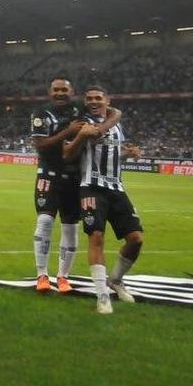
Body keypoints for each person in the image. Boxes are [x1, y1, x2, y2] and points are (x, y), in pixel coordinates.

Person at [29, 78, 120, 293]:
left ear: (72, 92)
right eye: (56, 89)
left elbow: (116, 112)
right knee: (45, 221)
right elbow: (40, 146)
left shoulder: (80, 107)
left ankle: (63, 277)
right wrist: (68, 131)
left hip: (74, 176)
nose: (60, 93)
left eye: (64, 89)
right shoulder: (41, 113)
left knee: (70, 227)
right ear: (49, 92)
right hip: (48, 173)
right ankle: (42, 274)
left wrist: (102, 128)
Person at [63, 86, 144, 314]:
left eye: (98, 98)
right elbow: (67, 154)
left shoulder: (116, 124)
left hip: (116, 188)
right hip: (91, 187)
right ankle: (102, 296)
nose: (93, 101)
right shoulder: (82, 123)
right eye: (89, 98)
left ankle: (115, 280)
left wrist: (128, 154)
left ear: (107, 100)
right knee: (96, 237)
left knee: (136, 239)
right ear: (85, 102)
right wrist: (81, 136)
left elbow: (111, 154)